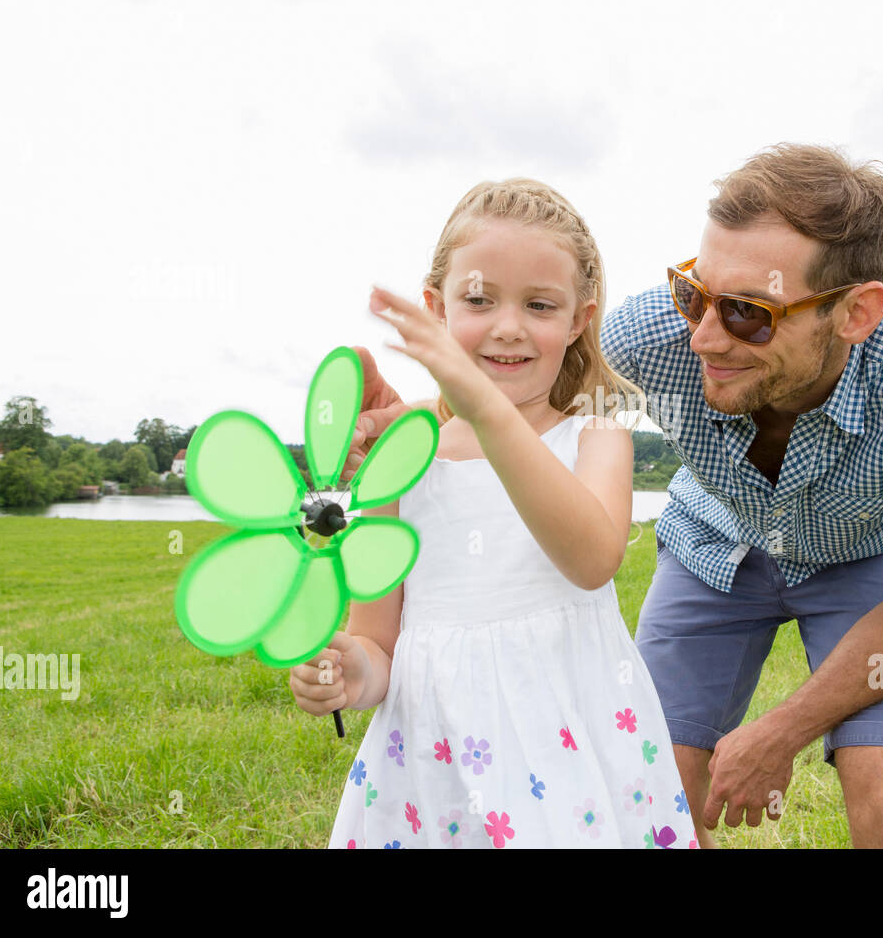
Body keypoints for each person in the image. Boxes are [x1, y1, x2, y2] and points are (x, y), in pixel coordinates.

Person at [344, 144, 883, 849]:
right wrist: (416, 414)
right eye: (694, 292)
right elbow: (533, 402)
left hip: (864, 566)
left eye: (750, 314)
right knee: (650, 788)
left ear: (854, 313)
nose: (702, 336)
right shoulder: (655, 335)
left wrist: (778, 733)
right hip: (713, 547)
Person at [289, 178, 697, 849]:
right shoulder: (403, 456)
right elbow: (377, 641)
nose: (508, 326)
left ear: (579, 319)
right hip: (432, 761)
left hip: (569, 754)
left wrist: (483, 407)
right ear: (436, 308)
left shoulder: (594, 433)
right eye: (479, 299)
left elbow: (592, 559)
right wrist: (348, 672)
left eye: (540, 304)